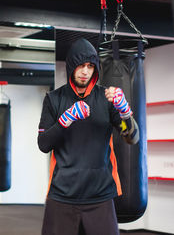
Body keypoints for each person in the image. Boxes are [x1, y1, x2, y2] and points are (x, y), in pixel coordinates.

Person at [37, 38, 139, 235]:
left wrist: (125, 113)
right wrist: (65, 120)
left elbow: (131, 137)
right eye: (81, 66)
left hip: (100, 195)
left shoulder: (107, 98)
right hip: (62, 195)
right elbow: (43, 144)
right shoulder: (54, 99)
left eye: (90, 66)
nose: (85, 71)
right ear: (71, 67)